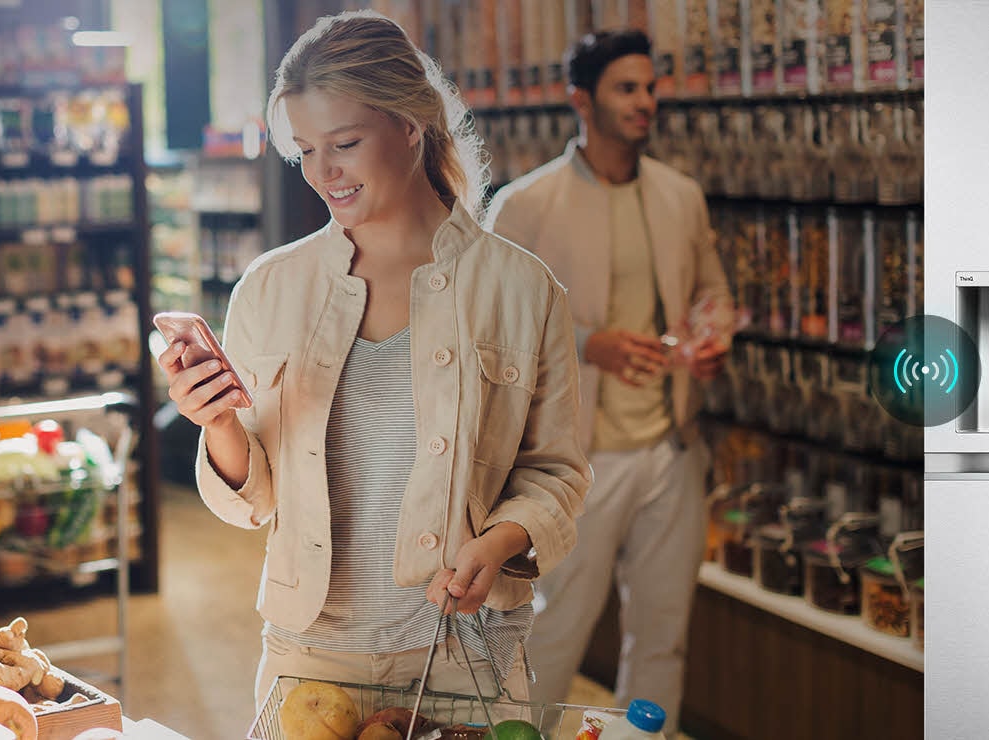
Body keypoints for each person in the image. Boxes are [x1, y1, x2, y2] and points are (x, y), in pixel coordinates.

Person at [155, 10, 589, 711]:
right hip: (311, 654)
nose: (324, 174)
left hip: (464, 652)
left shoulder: (521, 287)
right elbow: (254, 500)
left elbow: (556, 473)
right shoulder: (271, 286)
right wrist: (218, 424)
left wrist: (501, 540)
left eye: (345, 143)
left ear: (410, 125)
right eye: (305, 152)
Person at [484, 29, 734, 732]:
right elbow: (489, 330)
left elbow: (712, 293)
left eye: (650, 88)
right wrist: (591, 345)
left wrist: (713, 339)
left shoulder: (681, 196)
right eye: (627, 88)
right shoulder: (525, 206)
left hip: (671, 450)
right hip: (575, 463)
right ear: (580, 101)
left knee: (663, 638)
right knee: (554, 629)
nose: (645, 102)